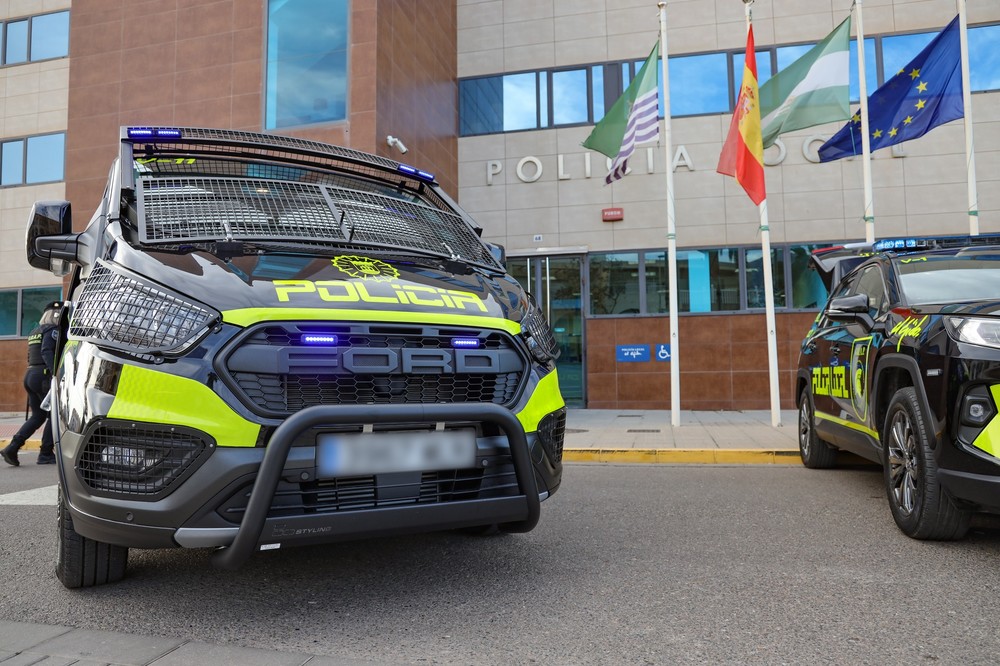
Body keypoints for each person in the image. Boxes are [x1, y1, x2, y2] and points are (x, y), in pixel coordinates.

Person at [1, 301, 60, 466]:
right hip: (44, 376)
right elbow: (47, 351)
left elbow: (31, 355)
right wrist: (56, 373)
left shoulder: (35, 331)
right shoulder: (53, 330)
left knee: (38, 416)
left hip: (30, 375)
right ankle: (46, 453)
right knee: (53, 415)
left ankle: (12, 447)